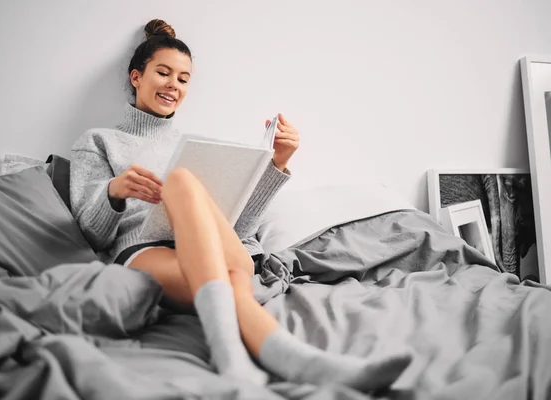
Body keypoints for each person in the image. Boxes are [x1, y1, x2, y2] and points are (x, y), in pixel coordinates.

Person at [70, 19, 411, 391]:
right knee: (184, 183)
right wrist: (114, 192)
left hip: (221, 251)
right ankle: (302, 362)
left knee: (193, 190)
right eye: (163, 73)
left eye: (183, 79)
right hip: (148, 250)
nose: (173, 85)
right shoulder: (99, 141)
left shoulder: (200, 145)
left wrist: (277, 164)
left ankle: (245, 361)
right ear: (137, 77)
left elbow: (239, 230)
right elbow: (90, 232)